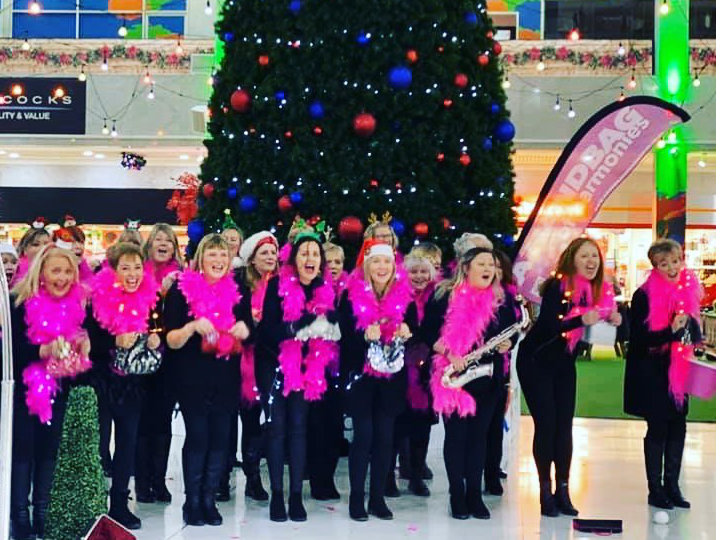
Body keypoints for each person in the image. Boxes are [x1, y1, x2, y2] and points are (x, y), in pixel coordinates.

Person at [517, 237, 621, 517]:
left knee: (564, 427)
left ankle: (563, 490)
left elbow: (609, 330)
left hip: (564, 364)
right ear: (571, 259)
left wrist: (616, 319)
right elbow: (551, 325)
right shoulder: (557, 286)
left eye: (595, 256)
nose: (591, 261)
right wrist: (580, 320)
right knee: (547, 424)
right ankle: (544, 491)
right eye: (584, 256)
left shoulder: (597, 291)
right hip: (536, 361)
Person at [165, 234, 249, 527]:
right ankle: (192, 502)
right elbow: (171, 340)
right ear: (201, 259)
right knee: (198, 437)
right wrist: (191, 327)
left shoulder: (239, 291)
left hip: (226, 377)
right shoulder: (181, 291)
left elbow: (250, 330)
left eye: (223, 255)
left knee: (220, 438)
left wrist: (245, 330)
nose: (218, 260)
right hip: (192, 378)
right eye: (212, 254)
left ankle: (209, 499)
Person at [256, 230, 340, 522]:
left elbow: (332, 327)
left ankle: (295, 496)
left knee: (299, 428)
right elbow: (267, 331)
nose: (310, 258)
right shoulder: (277, 285)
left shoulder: (324, 289)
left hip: (306, 367)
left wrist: (329, 325)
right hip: (274, 365)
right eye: (304, 253)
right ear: (294, 259)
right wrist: (299, 326)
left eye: (315, 254)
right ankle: (277, 495)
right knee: (277, 428)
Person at [9, 245, 92, 539]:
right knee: (23, 453)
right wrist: (41, 351)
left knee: (49, 452)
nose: (63, 277)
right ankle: (19, 515)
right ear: (41, 273)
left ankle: (43, 512)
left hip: (58, 389)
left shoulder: (77, 305)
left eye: (68, 271)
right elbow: (11, 352)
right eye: (56, 271)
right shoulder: (18, 303)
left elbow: (81, 354)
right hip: (23, 393)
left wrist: (83, 347)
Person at [425, 247, 511, 520]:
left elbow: (510, 331)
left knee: (478, 437)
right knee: (457, 437)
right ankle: (457, 494)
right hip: (455, 379)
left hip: (487, 379)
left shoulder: (501, 300)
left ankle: (474, 494)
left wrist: (509, 343)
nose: (488, 269)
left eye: (492, 264)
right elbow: (426, 332)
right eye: (482, 264)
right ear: (466, 268)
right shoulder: (444, 296)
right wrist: (449, 353)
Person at [623, 239, 703, 510]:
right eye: (663, 264)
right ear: (654, 267)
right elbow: (639, 339)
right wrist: (670, 331)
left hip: (678, 371)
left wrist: (693, 337)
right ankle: (655, 490)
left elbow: (691, 333)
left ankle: (673, 486)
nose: (671, 268)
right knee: (658, 427)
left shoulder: (687, 291)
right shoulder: (643, 296)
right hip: (652, 373)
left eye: (675, 261)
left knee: (679, 426)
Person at [88, 243, 162, 529]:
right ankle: (94, 501)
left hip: (132, 383)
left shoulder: (151, 297)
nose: (133, 274)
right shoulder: (97, 298)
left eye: (137, 267)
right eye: (125, 268)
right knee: (98, 444)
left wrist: (156, 341)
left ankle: (119, 502)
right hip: (101, 381)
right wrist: (113, 341)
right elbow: (87, 341)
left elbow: (157, 329)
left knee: (127, 443)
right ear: (113, 270)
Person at [338, 239, 412, 521]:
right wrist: (363, 334)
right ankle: (357, 498)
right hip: (361, 377)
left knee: (385, 437)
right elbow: (344, 334)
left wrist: (407, 329)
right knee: (363, 436)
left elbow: (415, 328)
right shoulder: (350, 295)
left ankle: (377, 498)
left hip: (392, 379)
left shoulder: (404, 294)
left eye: (387, 262)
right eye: (377, 261)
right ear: (367, 266)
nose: (382, 267)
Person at [217, 231, 278, 502]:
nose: (270, 257)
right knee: (228, 420)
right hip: (237, 358)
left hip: (265, 361)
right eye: (264, 253)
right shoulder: (239, 283)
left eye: (273, 253)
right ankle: (222, 478)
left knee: (254, 422)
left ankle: (253, 478)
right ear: (252, 258)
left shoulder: (278, 285)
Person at [135, 223, 184, 504]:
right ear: (149, 245)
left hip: (170, 359)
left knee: (163, 420)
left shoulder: (181, 278)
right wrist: (158, 294)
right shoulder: (138, 274)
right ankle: (142, 482)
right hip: (141, 357)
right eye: (158, 240)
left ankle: (159, 479)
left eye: (168, 240)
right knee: (143, 420)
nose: (163, 244)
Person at [386, 253, 438, 498]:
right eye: (413, 272)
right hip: (399, 369)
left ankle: (416, 477)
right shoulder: (396, 296)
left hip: (428, 370)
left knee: (422, 427)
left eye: (423, 271)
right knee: (396, 426)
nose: (419, 276)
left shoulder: (437, 298)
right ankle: (388, 476)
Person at [307, 242, 348, 501]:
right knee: (316, 425)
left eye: (338, 262)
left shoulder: (350, 292)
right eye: (328, 262)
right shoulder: (313, 290)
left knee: (335, 426)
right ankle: (316, 478)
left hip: (341, 367)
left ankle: (328, 478)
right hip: (315, 367)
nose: (333, 266)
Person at [484, 249, 521, 495]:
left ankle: (492, 473)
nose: (493, 271)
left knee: (496, 425)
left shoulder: (509, 299)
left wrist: (511, 341)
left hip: (500, 369)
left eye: (498, 266)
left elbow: (515, 328)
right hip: (476, 369)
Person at [11, 218, 51, 286]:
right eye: (36, 244)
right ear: (24, 249)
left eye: (46, 244)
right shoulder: (13, 271)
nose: (42, 248)